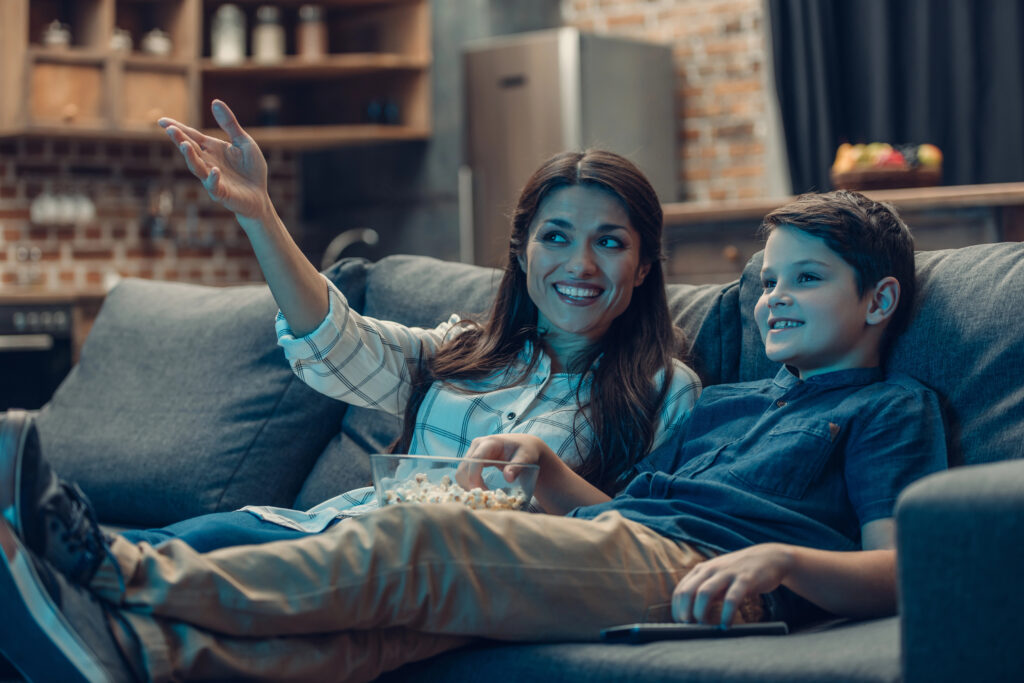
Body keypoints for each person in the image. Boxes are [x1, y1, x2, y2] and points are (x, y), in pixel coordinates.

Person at [0, 189, 949, 683]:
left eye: (806, 280)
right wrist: (550, 474)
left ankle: (114, 569)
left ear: (880, 298)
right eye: (767, 281)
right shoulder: (735, 402)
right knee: (391, 636)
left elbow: (909, 569)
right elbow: (625, 513)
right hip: (630, 543)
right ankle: (135, 659)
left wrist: (781, 560)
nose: (774, 299)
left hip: (712, 576)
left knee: (422, 538)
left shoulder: (888, 408)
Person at [110, 100, 702, 552]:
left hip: (422, 568)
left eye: (609, 242)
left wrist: (545, 471)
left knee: (151, 567)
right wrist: (259, 213)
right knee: (150, 548)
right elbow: (338, 344)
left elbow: (644, 540)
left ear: (644, 265)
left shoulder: (664, 391)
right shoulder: (465, 350)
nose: (581, 265)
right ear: (522, 254)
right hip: (334, 531)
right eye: (556, 237)